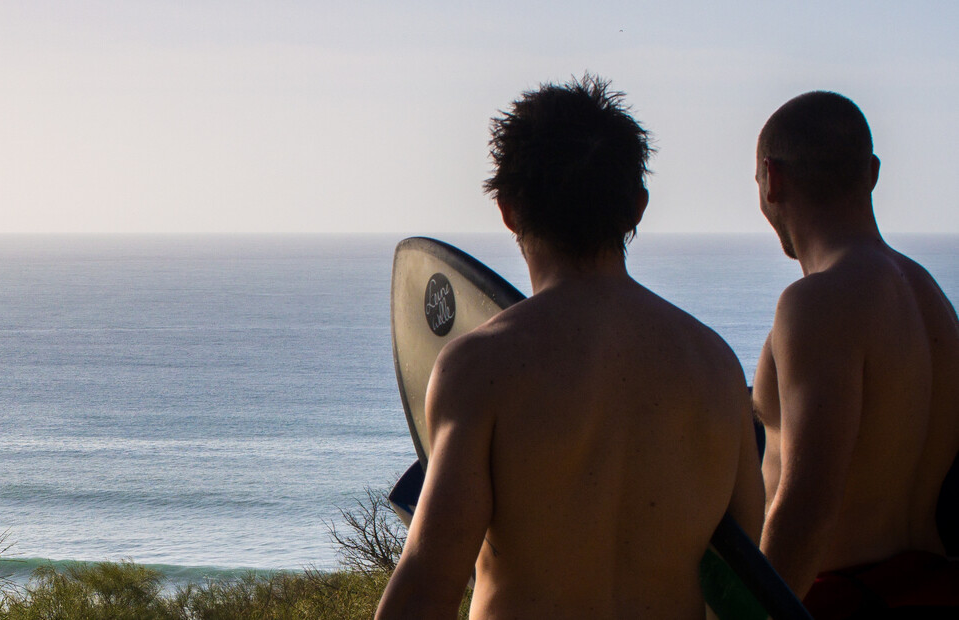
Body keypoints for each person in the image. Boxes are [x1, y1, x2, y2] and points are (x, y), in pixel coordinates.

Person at [375, 74, 765, 619]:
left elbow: (425, 590)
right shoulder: (715, 366)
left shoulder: (484, 368)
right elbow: (745, 580)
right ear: (637, 206)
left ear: (509, 209)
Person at [752, 91, 959, 618]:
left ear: (771, 180)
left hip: (840, 599)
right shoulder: (930, 298)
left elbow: (806, 507)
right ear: (871, 172)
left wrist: (753, 613)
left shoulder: (817, 302)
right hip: (934, 588)